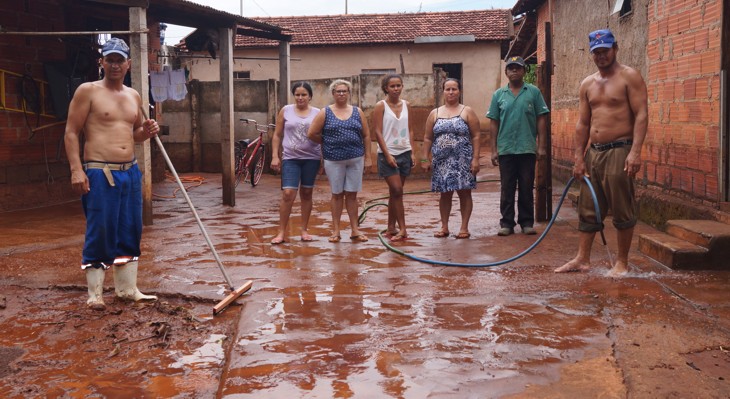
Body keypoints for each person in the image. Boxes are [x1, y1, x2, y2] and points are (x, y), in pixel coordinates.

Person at [64, 38, 159, 310]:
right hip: (99, 171)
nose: (115, 64)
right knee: (101, 229)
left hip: (130, 171)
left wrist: (148, 131)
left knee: (130, 228)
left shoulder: (134, 95)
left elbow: (136, 135)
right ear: (102, 62)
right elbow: (71, 132)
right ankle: (95, 294)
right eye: (110, 59)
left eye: (120, 60)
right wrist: (76, 169)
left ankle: (127, 290)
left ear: (128, 64)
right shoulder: (88, 91)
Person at [555, 29, 648, 276]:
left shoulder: (630, 77)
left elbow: (641, 114)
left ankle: (622, 262)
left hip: (620, 150)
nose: (601, 56)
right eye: (596, 52)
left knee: (621, 208)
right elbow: (583, 123)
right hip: (593, 153)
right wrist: (578, 157)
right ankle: (582, 259)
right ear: (591, 54)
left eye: (605, 50)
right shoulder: (588, 83)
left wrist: (635, 151)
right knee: (588, 206)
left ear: (615, 48)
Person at [487, 56, 550, 236]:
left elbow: (541, 119)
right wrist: (493, 150)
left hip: (527, 148)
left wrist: (542, 146)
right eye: (511, 68)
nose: (514, 71)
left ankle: (526, 222)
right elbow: (493, 123)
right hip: (506, 149)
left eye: (518, 68)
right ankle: (506, 223)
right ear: (506, 72)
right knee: (507, 187)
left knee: (526, 186)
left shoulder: (533, 92)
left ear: (524, 71)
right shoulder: (498, 95)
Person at [307, 79, 372, 243]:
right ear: (333, 94)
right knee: (336, 194)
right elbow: (312, 133)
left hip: (356, 158)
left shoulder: (358, 111)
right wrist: (327, 142)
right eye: (338, 91)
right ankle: (335, 230)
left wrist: (369, 158)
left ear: (349, 93)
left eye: (344, 91)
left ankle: (355, 230)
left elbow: (366, 135)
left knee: (352, 195)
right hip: (333, 159)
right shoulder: (325, 112)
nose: (341, 94)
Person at [421, 78, 481, 239]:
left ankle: (464, 227)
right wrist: (425, 159)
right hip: (441, 162)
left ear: (459, 91)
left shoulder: (467, 111)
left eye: (454, 89)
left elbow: (476, 136)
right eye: (447, 89)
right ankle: (444, 226)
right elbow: (427, 138)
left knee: (464, 193)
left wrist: (475, 159)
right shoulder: (435, 113)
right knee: (444, 194)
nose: (451, 92)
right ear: (443, 92)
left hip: (462, 161)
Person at [269, 82, 321, 245]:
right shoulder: (286, 110)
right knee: (288, 194)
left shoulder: (318, 113)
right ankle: (282, 232)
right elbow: (277, 135)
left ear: (310, 96)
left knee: (306, 193)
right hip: (290, 158)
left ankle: (304, 230)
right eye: (297, 94)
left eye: (304, 94)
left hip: (311, 158)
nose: (300, 97)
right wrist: (275, 156)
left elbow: (323, 136)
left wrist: (324, 159)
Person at [372, 74, 416, 242]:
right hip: (387, 154)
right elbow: (377, 131)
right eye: (392, 86)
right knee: (397, 190)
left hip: (404, 152)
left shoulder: (407, 105)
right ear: (386, 88)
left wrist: (412, 151)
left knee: (394, 193)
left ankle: (391, 226)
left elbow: (411, 129)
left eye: (398, 85)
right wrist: (388, 154)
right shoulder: (380, 106)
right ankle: (403, 229)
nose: (396, 89)